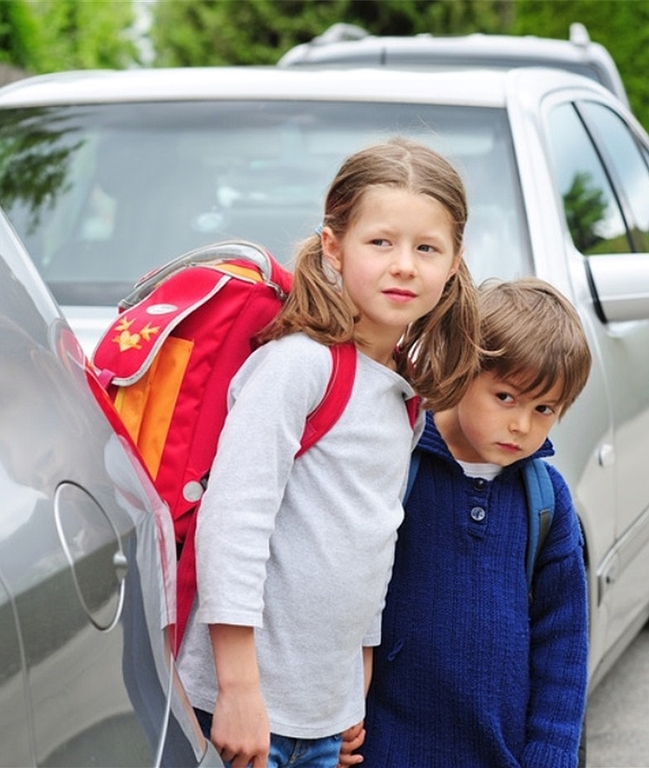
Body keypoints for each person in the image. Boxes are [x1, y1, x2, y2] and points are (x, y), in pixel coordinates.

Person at [176, 137, 481, 768]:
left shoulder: (402, 391)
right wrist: (237, 690)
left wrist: (352, 690)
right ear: (334, 248)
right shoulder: (298, 367)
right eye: (381, 242)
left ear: (453, 264)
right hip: (239, 710)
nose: (404, 265)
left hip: (324, 719)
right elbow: (233, 525)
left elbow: (368, 542)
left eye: (427, 248)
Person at [355, 276, 592, 768]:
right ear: (462, 370)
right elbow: (344, 598)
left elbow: (563, 642)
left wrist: (551, 752)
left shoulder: (547, 501)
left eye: (544, 408)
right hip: (387, 749)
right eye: (505, 397)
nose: (522, 425)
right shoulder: (397, 464)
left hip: (502, 754)